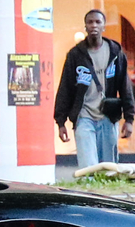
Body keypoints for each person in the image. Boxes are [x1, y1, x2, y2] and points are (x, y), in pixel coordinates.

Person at [53, 9, 129, 169]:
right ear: (85, 27)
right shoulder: (75, 55)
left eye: (98, 22)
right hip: (84, 116)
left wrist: (129, 119)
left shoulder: (115, 52)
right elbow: (65, 88)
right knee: (88, 166)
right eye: (90, 22)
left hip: (108, 116)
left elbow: (125, 86)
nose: (94, 25)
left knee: (109, 166)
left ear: (104, 26)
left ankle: (107, 194)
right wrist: (61, 121)